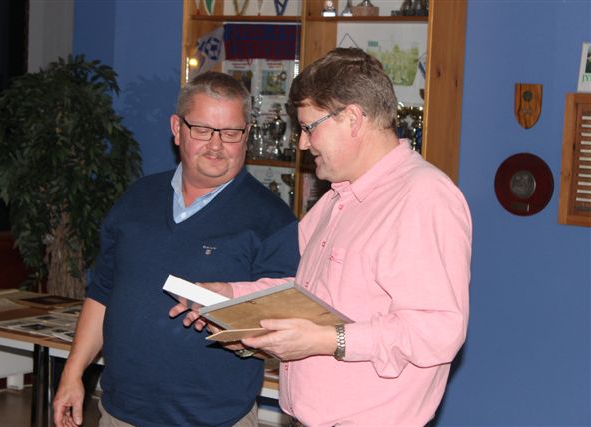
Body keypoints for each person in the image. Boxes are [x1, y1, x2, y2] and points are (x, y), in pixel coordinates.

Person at [171, 48, 472, 426]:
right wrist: (231, 295)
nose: (302, 143)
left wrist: (329, 340)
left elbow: (437, 330)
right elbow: (306, 292)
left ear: (352, 119)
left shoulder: (423, 197)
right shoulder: (336, 199)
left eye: (309, 127)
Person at [52, 71, 300, 427]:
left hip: (216, 418)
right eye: (202, 129)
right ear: (177, 128)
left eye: (230, 133)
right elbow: (101, 294)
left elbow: (283, 328)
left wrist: (244, 339)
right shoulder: (136, 199)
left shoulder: (273, 221)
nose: (216, 145)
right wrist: (73, 373)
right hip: (120, 412)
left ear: (246, 135)